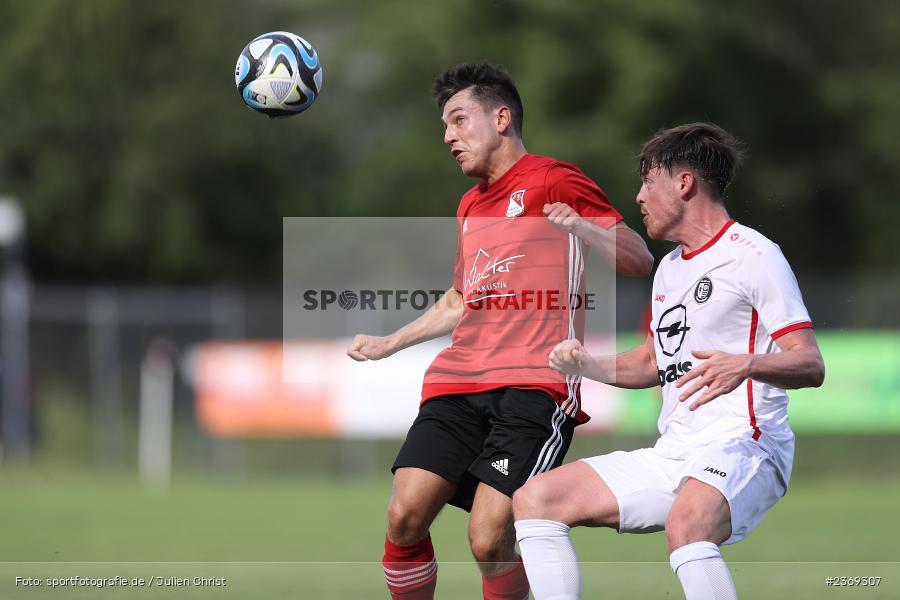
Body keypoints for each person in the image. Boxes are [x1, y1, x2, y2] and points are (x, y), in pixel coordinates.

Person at [346, 61, 653, 600]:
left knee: (489, 539)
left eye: (459, 120)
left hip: (534, 387)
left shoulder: (555, 178)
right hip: (458, 382)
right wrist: (390, 343)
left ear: (502, 118)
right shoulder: (469, 205)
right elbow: (461, 299)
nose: (448, 136)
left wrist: (583, 227)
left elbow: (638, 257)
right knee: (403, 516)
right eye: (445, 126)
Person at [512, 122, 826, 599]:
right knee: (535, 498)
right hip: (675, 453)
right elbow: (652, 363)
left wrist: (745, 364)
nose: (638, 197)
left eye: (647, 182)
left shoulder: (754, 255)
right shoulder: (670, 269)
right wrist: (585, 365)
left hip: (747, 444)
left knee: (687, 526)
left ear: (684, 183)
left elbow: (810, 363)